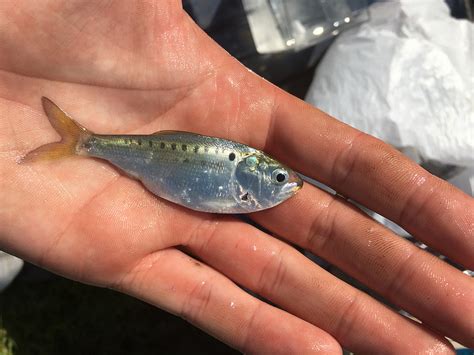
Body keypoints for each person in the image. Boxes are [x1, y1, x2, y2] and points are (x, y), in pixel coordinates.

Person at [0, 1, 472, 353]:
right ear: (257, 174)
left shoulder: (247, 182)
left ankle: (81, 144)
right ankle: (81, 143)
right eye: (282, 177)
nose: (289, 185)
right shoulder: (243, 177)